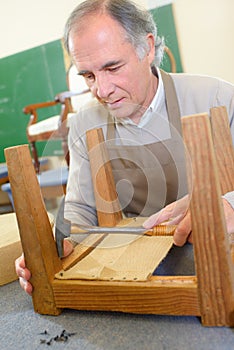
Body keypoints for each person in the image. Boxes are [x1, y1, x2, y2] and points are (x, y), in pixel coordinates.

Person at [15, 0, 234, 295]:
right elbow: (82, 211)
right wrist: (60, 247)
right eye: (89, 76)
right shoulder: (84, 125)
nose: (102, 91)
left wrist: (230, 203)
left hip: (220, 269)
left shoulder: (217, 98)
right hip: (141, 276)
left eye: (112, 67)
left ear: (147, 48)